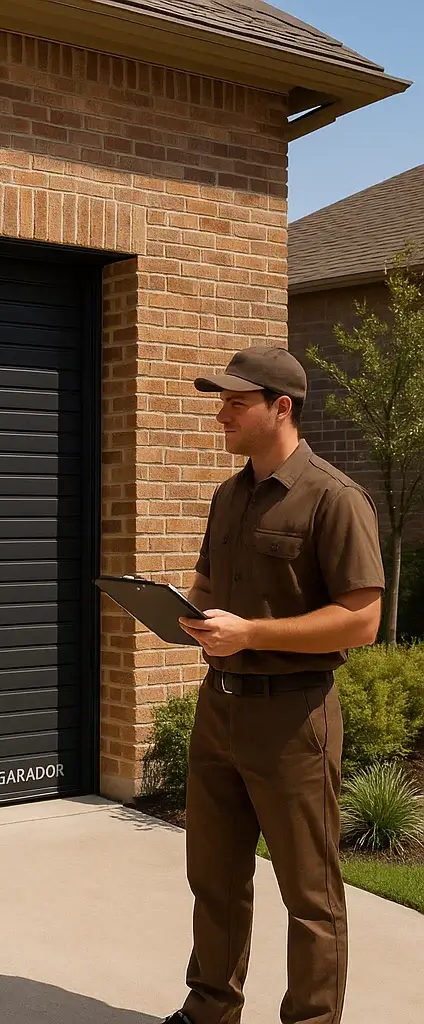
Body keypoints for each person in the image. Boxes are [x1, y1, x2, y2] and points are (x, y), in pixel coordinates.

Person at [160, 346, 385, 1024]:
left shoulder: (334, 498)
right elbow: (208, 587)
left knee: (310, 895)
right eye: (221, 402)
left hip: (294, 721)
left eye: (235, 402)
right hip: (219, 711)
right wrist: (183, 612)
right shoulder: (228, 496)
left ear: (281, 407)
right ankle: (209, 1010)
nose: (221, 415)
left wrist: (253, 633)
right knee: (215, 878)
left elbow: (363, 619)